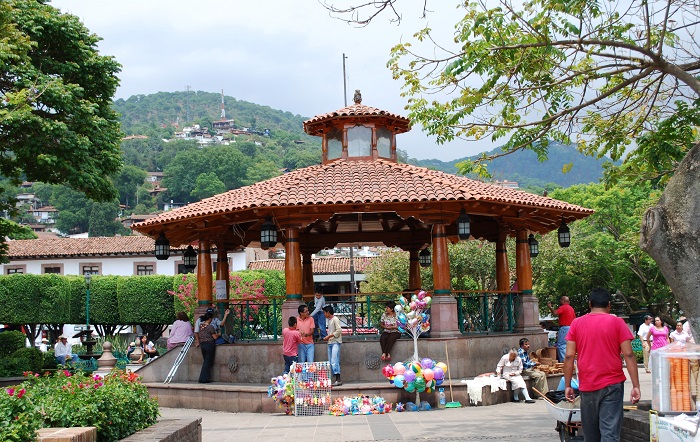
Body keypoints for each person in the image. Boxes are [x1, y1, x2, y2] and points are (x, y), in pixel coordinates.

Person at [564, 288, 641, 442]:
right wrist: (636, 385)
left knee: (591, 434)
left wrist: (567, 385)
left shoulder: (576, 323)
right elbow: (629, 354)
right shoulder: (617, 322)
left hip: (587, 384)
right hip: (612, 385)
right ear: (609, 305)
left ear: (590, 304)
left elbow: (569, 355)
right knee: (610, 434)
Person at [548, 296, 576, 362]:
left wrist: (550, 307)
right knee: (568, 345)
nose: (560, 301)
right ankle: (571, 361)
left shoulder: (563, 307)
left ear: (563, 301)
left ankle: (564, 362)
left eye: (560, 300)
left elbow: (555, 313)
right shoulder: (571, 308)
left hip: (564, 328)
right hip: (571, 327)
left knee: (561, 345)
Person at [323, 305, 343, 386]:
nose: (324, 314)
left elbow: (339, 330)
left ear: (328, 312)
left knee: (335, 361)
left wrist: (329, 336)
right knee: (331, 361)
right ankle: (335, 378)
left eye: (324, 312)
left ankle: (338, 379)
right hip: (330, 342)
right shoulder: (330, 320)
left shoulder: (335, 319)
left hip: (335, 342)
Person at [197, 314, 220, 383]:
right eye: (211, 319)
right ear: (209, 319)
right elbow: (215, 337)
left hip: (202, 345)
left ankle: (203, 378)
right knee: (207, 362)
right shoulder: (210, 327)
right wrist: (219, 334)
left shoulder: (201, 326)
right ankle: (204, 379)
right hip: (209, 345)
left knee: (206, 361)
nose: (212, 320)